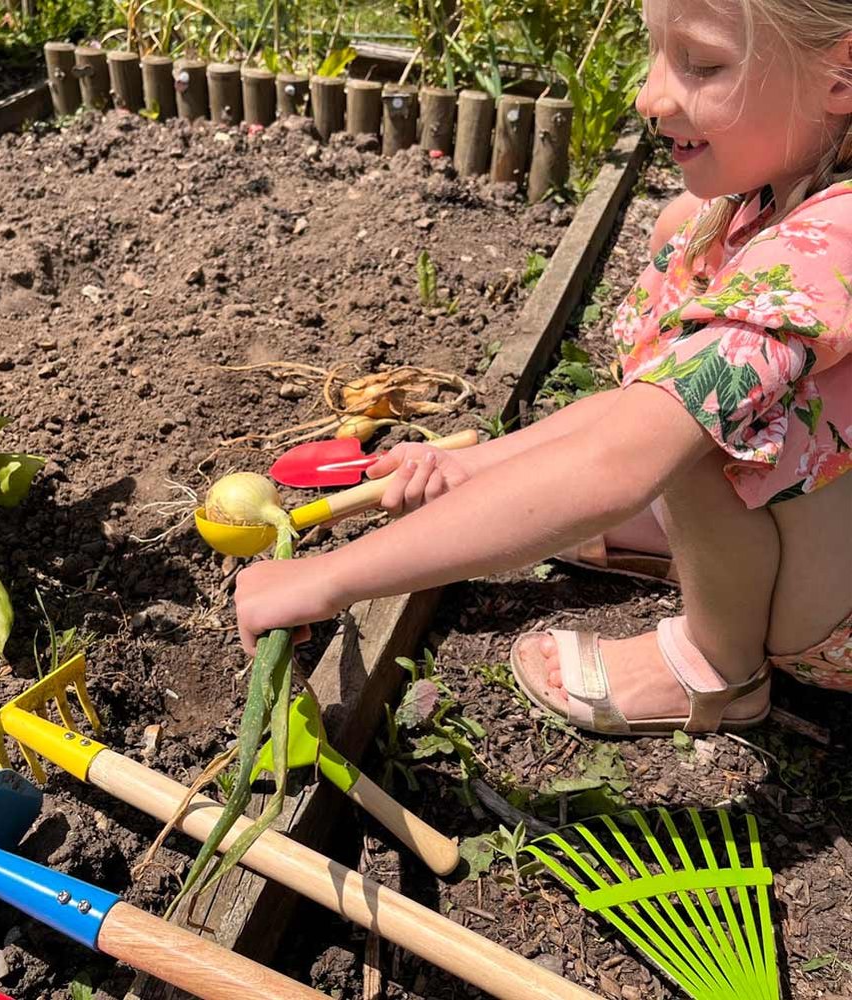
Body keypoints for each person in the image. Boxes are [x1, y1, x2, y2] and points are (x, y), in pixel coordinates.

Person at [234, 0, 852, 735]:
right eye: (655, 54)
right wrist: (476, 465)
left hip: (834, 632)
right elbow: (634, 418)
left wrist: (326, 579)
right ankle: (670, 540)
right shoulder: (762, 203)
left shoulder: (828, 249)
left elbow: (620, 459)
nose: (649, 97)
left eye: (703, 64)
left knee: (696, 437)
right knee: (683, 318)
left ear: (841, 75)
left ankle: (719, 669)